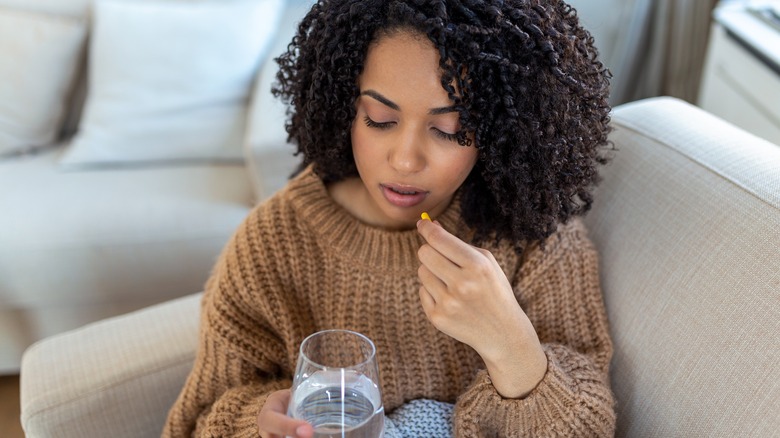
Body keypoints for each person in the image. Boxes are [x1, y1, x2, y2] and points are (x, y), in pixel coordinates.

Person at [163, 0, 615, 436]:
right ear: (345, 108)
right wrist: (259, 425)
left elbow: (588, 426)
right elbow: (200, 419)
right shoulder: (272, 244)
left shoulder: (531, 237)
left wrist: (511, 344)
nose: (404, 160)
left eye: (448, 130)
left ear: (500, 131)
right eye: (380, 119)